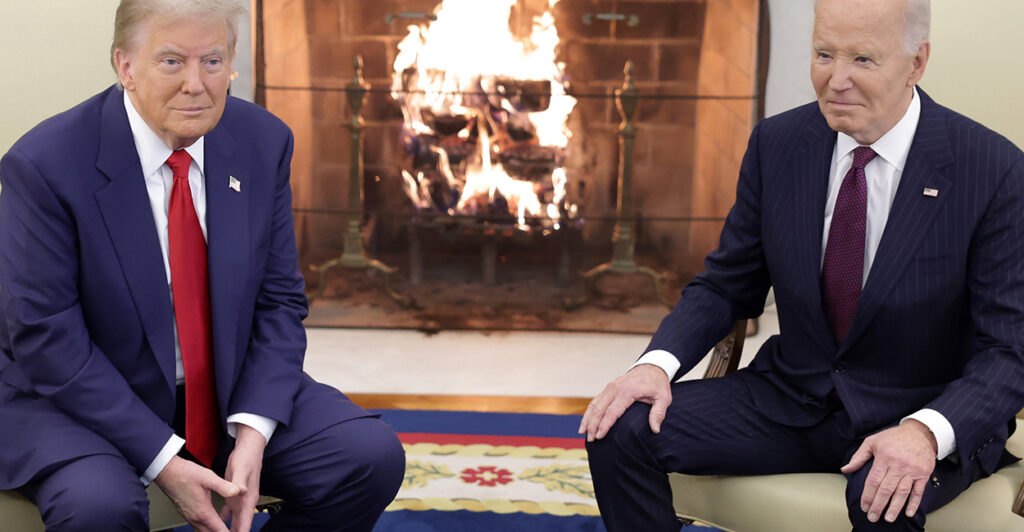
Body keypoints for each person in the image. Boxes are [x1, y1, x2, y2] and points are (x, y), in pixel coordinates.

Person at [582, 0, 1024, 530]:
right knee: (620, 428)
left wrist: (927, 432)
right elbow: (727, 285)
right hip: (789, 400)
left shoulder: (993, 171)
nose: (836, 80)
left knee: (883, 495)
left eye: (863, 59)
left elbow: (1009, 348)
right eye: (823, 54)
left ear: (916, 63)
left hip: (917, 410)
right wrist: (655, 365)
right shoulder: (779, 144)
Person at [0, 1, 405, 530]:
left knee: (367, 458)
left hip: (220, 386)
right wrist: (162, 457)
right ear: (125, 66)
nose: (197, 84)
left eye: (212, 62)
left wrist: (254, 431)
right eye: (171, 61)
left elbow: (279, 300)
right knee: (99, 508)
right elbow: (45, 340)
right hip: (81, 400)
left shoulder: (262, 141)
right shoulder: (45, 166)